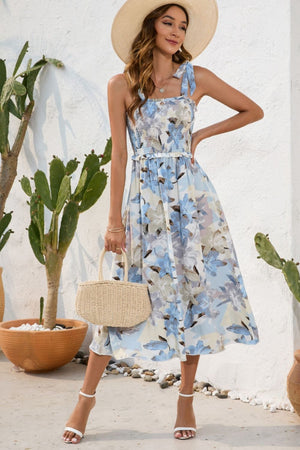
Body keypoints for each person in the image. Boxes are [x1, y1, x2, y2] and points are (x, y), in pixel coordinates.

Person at [63, 0, 263, 443]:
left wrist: (200, 135)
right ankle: (84, 400)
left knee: (193, 296)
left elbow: (253, 110)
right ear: (150, 26)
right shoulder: (121, 85)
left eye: (183, 26)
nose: (176, 31)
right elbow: (119, 157)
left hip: (194, 201)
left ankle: (186, 398)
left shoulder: (196, 79)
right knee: (124, 296)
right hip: (143, 205)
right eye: (168, 22)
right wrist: (114, 221)